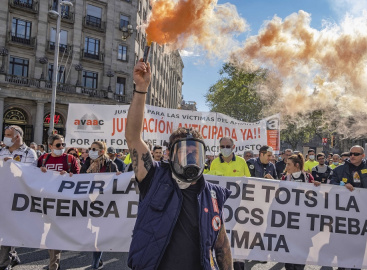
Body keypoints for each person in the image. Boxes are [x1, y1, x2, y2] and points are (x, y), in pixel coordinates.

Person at [126, 59, 233, 270]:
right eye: (186, 152)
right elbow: (133, 137)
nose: (192, 158)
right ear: (169, 154)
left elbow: (221, 246)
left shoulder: (212, 195)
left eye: (196, 152)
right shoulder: (154, 178)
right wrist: (141, 89)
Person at [205, 137, 250, 270]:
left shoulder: (242, 162)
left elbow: (249, 182)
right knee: (222, 240)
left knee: (237, 240)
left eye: (227, 146)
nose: (225, 149)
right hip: (220, 209)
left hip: (238, 208)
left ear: (233, 146)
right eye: (222, 146)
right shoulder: (214, 163)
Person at [37, 134, 80, 270]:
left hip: (62, 203)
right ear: (50, 146)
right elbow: (30, 176)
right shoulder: (43, 159)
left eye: (63, 145)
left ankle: (53, 265)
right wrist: (39, 171)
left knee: (54, 233)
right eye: (58, 145)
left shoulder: (70, 159)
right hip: (45, 202)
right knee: (48, 233)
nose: (61, 147)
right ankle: (54, 261)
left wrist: (69, 175)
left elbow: (79, 178)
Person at [0, 125, 38, 270]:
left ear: (17, 137)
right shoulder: (1, 151)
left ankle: (4, 263)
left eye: (8, 134)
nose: (5, 137)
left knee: (7, 230)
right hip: (1, 194)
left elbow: (30, 174)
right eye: (5, 134)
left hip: (17, 197)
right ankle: (13, 256)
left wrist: (13, 166)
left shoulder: (29, 153)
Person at [80, 141, 120, 270]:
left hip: (103, 204)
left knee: (99, 235)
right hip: (88, 203)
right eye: (90, 148)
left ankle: (95, 262)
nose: (91, 150)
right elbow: (79, 179)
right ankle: (98, 258)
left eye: (94, 149)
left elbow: (117, 184)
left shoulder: (110, 165)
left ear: (102, 151)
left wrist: (120, 177)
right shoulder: (86, 164)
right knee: (90, 233)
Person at [281, 153, 318, 270]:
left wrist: (318, 186)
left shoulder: (308, 178)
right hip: (289, 221)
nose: (286, 167)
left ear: (296, 165)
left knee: (301, 252)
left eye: (289, 164)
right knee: (289, 252)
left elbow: (315, 196)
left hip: (304, 221)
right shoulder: (285, 178)